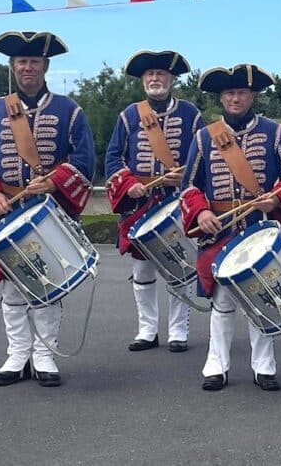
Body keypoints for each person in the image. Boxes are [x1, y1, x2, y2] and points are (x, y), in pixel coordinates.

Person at [0, 31, 96, 388]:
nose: (28, 68)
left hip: (49, 212)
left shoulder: (69, 110)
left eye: (34, 62)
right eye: (22, 62)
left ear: (46, 66)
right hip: (6, 212)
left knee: (47, 283)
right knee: (11, 288)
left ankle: (44, 354)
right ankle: (17, 354)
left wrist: (55, 182)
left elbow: (85, 161)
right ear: (13, 66)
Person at [179, 64, 281, 392]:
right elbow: (189, 186)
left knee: (260, 299)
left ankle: (264, 366)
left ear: (253, 96)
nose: (235, 99)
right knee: (222, 302)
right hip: (220, 231)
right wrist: (201, 211)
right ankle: (216, 366)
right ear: (221, 97)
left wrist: (275, 200)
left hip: (258, 228)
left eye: (242, 93)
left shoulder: (275, 132)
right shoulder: (204, 137)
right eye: (229, 93)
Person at [105, 50, 204, 353]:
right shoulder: (129, 115)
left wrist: (185, 178)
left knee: (179, 267)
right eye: (150, 74)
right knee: (142, 270)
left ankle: (178, 331)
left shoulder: (190, 114)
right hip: (140, 205)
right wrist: (129, 183)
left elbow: (204, 157)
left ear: (172, 79)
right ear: (143, 80)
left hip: (177, 202)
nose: (155, 79)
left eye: (161, 74)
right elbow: (113, 157)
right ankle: (147, 330)